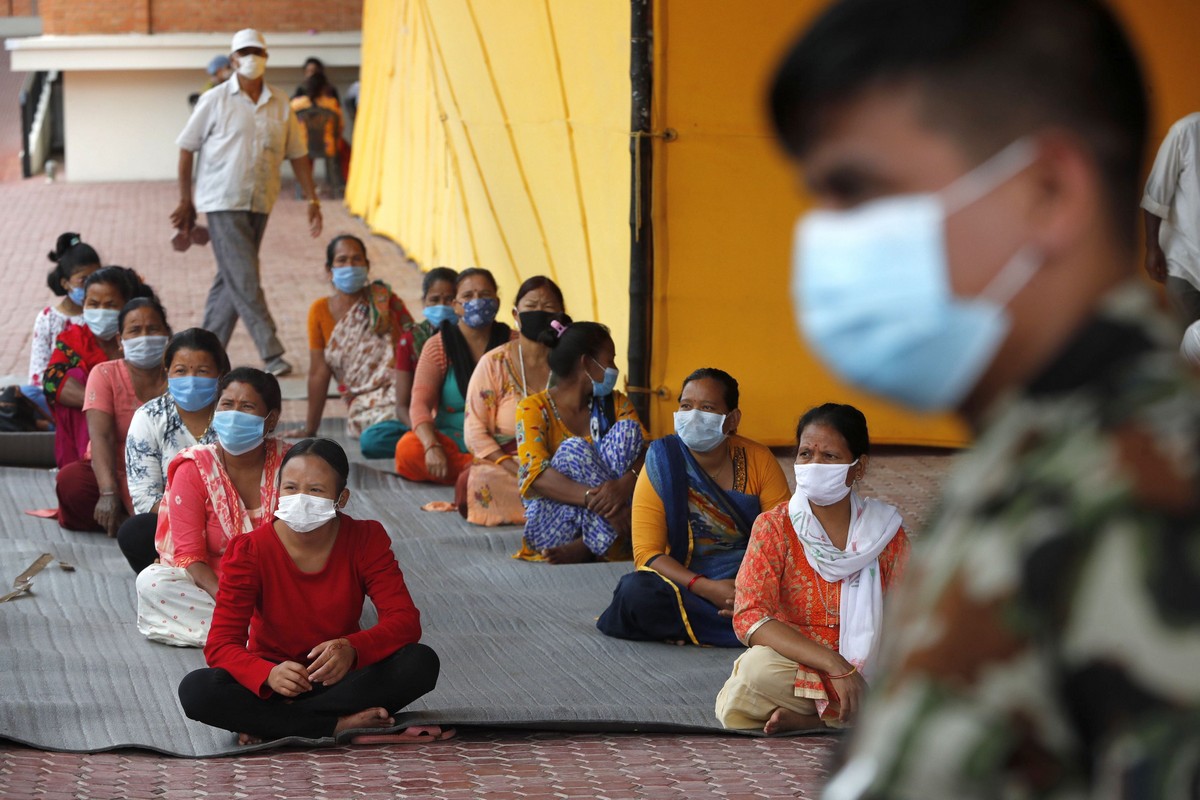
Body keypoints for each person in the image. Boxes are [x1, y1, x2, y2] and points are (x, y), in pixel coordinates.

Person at [771, 1, 1200, 796]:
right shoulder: (1039, 462)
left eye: (860, 191)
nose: (827, 238)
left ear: (1047, 192)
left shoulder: (1151, 496)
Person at [177, 438, 441, 745]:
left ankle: (275, 724)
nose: (301, 498)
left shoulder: (366, 539)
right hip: (273, 684)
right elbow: (221, 644)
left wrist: (353, 648)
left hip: (339, 675)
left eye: (315, 490)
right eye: (290, 488)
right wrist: (266, 674)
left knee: (420, 662)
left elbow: (405, 620)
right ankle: (336, 726)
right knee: (197, 689)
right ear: (277, 492)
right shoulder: (250, 550)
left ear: (341, 498)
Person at [714, 404, 908, 733]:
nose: (814, 465)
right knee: (754, 673)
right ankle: (847, 717)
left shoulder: (884, 531)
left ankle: (816, 719)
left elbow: (909, 611)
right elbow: (749, 616)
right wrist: (835, 664)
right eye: (805, 453)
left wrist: (863, 667)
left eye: (829, 456)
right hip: (799, 664)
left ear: (857, 468)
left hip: (870, 667)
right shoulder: (775, 526)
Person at [597, 368, 790, 646]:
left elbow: (782, 540)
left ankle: (712, 623)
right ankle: (751, 627)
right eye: (686, 406)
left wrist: (750, 590)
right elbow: (647, 554)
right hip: (687, 584)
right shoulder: (662, 458)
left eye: (707, 408)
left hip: (749, 580)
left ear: (732, 419)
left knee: (803, 592)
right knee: (635, 593)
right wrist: (707, 588)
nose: (694, 415)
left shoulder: (758, 459)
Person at [170, 28, 323, 378]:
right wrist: (185, 199)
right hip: (222, 199)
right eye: (244, 52)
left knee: (232, 278)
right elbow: (186, 147)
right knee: (244, 276)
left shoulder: (281, 102)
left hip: (260, 200)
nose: (251, 57)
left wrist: (312, 198)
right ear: (233, 58)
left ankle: (204, 351)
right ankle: (272, 351)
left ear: (266, 57)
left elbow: (297, 154)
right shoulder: (216, 99)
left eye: (257, 51)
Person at [135, 368, 288, 647]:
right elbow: (191, 558)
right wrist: (232, 606)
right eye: (227, 405)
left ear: (271, 419)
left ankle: (249, 634)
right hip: (217, 586)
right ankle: (266, 635)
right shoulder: (195, 468)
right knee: (153, 583)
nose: (234, 414)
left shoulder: (291, 465)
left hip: (279, 584)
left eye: (247, 406)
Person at [515, 321, 645, 563]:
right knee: (574, 450)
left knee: (628, 431)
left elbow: (647, 452)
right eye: (610, 360)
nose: (614, 368)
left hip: (621, 514)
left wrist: (625, 484)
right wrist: (605, 504)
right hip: (557, 526)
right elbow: (536, 475)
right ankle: (597, 542)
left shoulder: (616, 403)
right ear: (586, 363)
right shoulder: (533, 408)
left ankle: (588, 545)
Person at [118, 329, 230, 573]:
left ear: (220, 374)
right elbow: (145, 498)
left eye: (202, 371)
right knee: (136, 531)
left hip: (232, 522)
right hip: (175, 524)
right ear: (167, 371)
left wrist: (219, 523)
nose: (191, 379)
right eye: (181, 370)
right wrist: (197, 520)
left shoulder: (232, 416)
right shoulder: (149, 417)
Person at [55, 298, 170, 534]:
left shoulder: (180, 375)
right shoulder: (105, 373)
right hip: (115, 470)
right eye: (135, 330)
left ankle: (136, 525)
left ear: (167, 334)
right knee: (72, 483)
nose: (145, 337)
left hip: (167, 472)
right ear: (120, 340)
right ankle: (124, 520)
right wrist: (108, 492)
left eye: (153, 329)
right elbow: (101, 437)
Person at [393, 268, 512, 490]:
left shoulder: (513, 344)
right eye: (468, 296)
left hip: (503, 443)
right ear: (456, 304)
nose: (477, 302)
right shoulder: (438, 345)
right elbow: (419, 403)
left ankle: (486, 472)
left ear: (496, 301)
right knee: (408, 450)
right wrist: (431, 446)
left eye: (485, 295)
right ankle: (490, 472)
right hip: (454, 442)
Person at [462, 276, 566, 526]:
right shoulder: (494, 362)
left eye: (549, 308)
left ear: (561, 316)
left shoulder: (571, 362)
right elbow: (474, 432)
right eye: (531, 307)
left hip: (564, 462)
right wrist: (516, 469)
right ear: (516, 315)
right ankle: (565, 504)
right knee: (484, 479)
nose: (539, 313)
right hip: (511, 468)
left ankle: (562, 499)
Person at [300, 235, 413, 453]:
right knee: (372, 437)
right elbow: (318, 373)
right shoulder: (320, 310)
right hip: (364, 402)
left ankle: (418, 434)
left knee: (417, 412)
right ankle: (419, 436)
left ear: (367, 265)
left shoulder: (385, 302)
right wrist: (310, 428)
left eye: (356, 259)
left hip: (401, 389)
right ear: (329, 269)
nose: (349, 266)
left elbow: (412, 345)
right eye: (342, 260)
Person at [43, 267, 156, 469]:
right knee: (76, 376)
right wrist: (104, 404)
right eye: (93, 304)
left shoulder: (142, 340)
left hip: (141, 425)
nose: (101, 311)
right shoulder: (73, 339)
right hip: (93, 429)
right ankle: (89, 465)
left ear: (127, 306)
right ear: (84, 305)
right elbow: (52, 381)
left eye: (110, 305)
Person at [359, 267, 458, 459]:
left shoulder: (469, 338)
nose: (442, 306)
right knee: (373, 439)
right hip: (423, 420)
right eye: (435, 300)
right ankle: (440, 447)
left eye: (449, 300)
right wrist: (424, 432)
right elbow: (402, 406)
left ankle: (445, 447)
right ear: (424, 303)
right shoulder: (410, 340)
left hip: (459, 421)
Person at [27, 233, 100, 420]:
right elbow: (38, 376)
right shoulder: (47, 318)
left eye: (96, 278)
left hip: (97, 394)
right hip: (58, 396)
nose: (92, 286)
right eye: (84, 280)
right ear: (65, 282)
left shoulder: (104, 315)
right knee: (29, 393)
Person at [1142, 112, 1200, 328]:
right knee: (1188, 344)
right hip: (1183, 263)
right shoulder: (1185, 132)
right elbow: (1154, 196)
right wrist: (1152, 247)